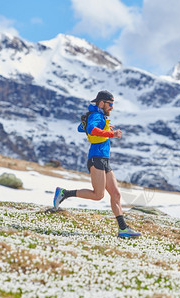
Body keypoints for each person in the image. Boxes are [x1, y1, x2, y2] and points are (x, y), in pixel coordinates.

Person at [52, 90, 141, 238]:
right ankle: (64, 193)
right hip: (96, 159)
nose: (112, 107)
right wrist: (111, 134)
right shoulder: (96, 115)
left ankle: (123, 229)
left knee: (116, 194)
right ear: (101, 103)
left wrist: (106, 128)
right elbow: (91, 129)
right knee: (98, 195)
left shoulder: (100, 117)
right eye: (110, 104)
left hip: (104, 159)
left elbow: (81, 128)